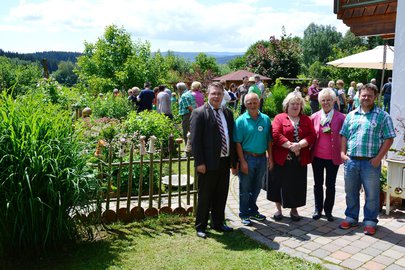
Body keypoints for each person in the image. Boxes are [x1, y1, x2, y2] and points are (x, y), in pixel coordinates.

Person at [340, 83, 395, 236]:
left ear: (375, 97)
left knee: (372, 194)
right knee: (350, 191)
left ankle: (370, 221)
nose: (366, 98)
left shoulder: (383, 116)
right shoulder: (351, 115)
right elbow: (344, 134)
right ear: (359, 95)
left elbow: (389, 138)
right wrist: (342, 153)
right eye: (363, 95)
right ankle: (351, 217)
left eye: (369, 96)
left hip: (371, 162)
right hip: (351, 160)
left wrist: (378, 158)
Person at [190, 82, 237, 239]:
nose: (216, 96)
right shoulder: (199, 113)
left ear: (223, 95)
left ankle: (218, 222)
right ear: (207, 95)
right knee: (205, 195)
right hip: (207, 164)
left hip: (224, 161)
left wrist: (233, 162)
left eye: (219, 93)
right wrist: (200, 163)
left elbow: (231, 137)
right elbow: (195, 141)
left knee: (221, 194)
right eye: (213, 93)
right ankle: (201, 226)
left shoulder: (228, 113)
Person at [268, 92, 316, 221]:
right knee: (278, 184)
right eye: (292, 103)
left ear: (301, 106)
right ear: (287, 105)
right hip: (281, 158)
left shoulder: (306, 119)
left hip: (299, 159)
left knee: (297, 185)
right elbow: (275, 134)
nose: (295, 106)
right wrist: (290, 146)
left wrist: (299, 145)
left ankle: (294, 210)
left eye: (298, 104)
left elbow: (312, 135)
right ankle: (278, 210)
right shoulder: (279, 118)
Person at [233, 93, 273, 226]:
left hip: (262, 158)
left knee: (257, 187)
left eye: (255, 101)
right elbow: (237, 143)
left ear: (259, 102)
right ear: (245, 104)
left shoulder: (266, 119)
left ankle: (252, 210)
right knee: (245, 188)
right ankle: (244, 213)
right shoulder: (240, 121)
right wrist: (242, 161)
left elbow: (269, 141)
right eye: (249, 102)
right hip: (247, 158)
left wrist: (270, 158)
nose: (252, 104)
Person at [310, 88, 345, 221]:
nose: (326, 103)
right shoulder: (314, 117)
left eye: (329, 100)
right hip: (317, 157)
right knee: (317, 184)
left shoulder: (341, 117)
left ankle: (328, 210)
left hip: (333, 157)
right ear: (319, 102)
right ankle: (317, 209)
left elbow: (345, 137)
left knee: (330, 185)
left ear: (334, 101)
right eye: (323, 100)